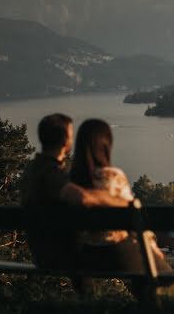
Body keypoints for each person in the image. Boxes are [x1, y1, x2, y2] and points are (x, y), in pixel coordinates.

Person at [20, 113, 129, 270]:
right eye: (71, 135)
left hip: (40, 252)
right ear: (66, 141)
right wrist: (122, 202)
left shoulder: (31, 169)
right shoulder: (49, 173)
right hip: (57, 256)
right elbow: (82, 197)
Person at [69, 118, 172, 274]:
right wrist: (153, 247)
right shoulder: (113, 176)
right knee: (166, 278)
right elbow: (133, 217)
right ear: (106, 144)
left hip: (85, 255)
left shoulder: (69, 182)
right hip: (116, 252)